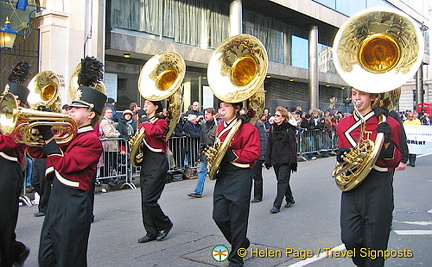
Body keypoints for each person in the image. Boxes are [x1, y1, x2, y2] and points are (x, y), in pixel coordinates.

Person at [27, 56, 108, 267]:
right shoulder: (68, 133)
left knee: (69, 260)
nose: (70, 110)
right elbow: (38, 155)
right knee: (46, 259)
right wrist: (37, 130)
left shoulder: (91, 141)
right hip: (56, 201)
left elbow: (64, 165)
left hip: (73, 204)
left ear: (91, 114)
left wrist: (49, 137)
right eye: (71, 107)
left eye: (77, 108)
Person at [336, 88, 401, 267]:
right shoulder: (343, 124)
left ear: (372, 97)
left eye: (362, 94)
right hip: (353, 187)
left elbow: (395, 160)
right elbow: (344, 155)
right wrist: (341, 156)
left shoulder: (389, 124)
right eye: (354, 94)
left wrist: (385, 141)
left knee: (375, 244)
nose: (357, 98)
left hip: (378, 186)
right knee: (349, 238)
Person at [212, 101, 260, 267]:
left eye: (226, 106)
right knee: (218, 216)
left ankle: (236, 258)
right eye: (220, 107)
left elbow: (253, 153)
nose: (222, 110)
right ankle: (241, 242)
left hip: (240, 175)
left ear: (237, 108)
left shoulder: (248, 128)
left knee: (238, 219)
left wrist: (232, 154)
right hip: (223, 175)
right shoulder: (219, 127)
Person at [0, 61, 31, 267]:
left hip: (8, 169)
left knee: (4, 219)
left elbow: (9, 142)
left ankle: (9, 257)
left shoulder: (22, 120)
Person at [137, 100, 173, 243]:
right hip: (146, 161)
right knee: (144, 200)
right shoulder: (144, 122)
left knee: (149, 199)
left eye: (148, 104)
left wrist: (144, 120)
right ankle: (150, 231)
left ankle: (165, 223)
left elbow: (154, 132)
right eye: (144, 103)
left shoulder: (161, 122)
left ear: (156, 107)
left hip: (157, 162)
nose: (145, 106)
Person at [264, 107, 297, 213]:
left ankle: (276, 205)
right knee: (282, 180)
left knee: (281, 181)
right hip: (275, 158)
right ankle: (290, 198)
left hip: (286, 159)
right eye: (275, 115)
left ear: (283, 118)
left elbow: (293, 146)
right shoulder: (273, 129)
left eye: (278, 115)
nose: (275, 117)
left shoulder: (289, 129)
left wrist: (293, 162)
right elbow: (270, 145)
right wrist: (267, 159)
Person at [188, 108, 216, 198]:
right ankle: (198, 191)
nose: (206, 115)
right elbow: (201, 138)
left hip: (214, 151)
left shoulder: (217, 125)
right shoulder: (203, 124)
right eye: (205, 114)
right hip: (205, 151)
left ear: (213, 115)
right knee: (202, 171)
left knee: (218, 172)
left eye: (208, 114)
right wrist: (200, 151)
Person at [99, 107, 121, 185]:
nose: (110, 114)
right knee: (107, 162)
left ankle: (107, 177)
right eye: (108, 112)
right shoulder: (105, 122)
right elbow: (108, 134)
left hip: (112, 145)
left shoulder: (110, 122)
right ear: (104, 114)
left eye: (111, 112)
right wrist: (117, 134)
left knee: (110, 162)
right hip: (108, 145)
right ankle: (105, 178)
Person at [251, 114, 268, 203]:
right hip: (250, 153)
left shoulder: (258, 124)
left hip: (257, 154)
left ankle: (258, 195)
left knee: (257, 175)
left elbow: (263, 140)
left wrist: (261, 155)